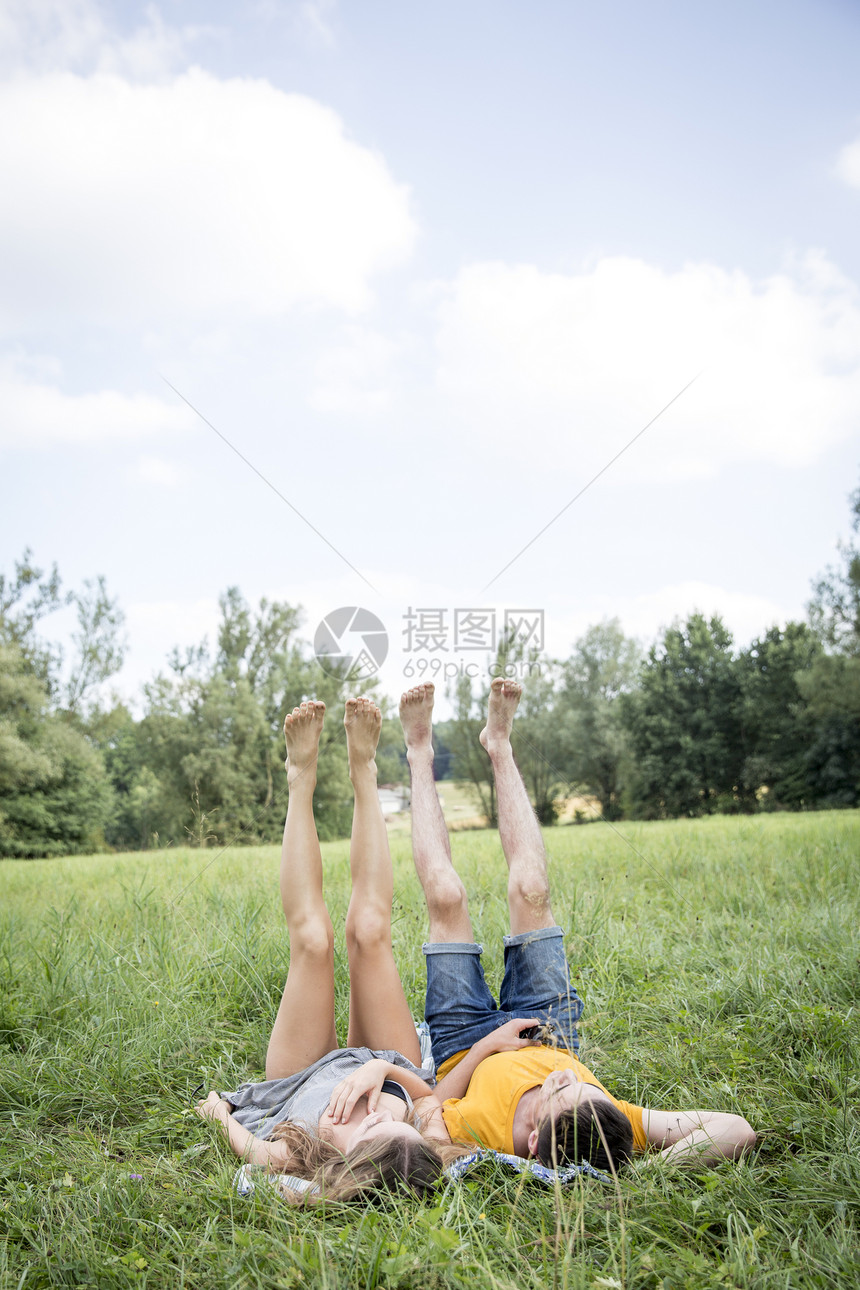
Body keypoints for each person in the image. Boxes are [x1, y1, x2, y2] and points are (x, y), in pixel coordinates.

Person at [400, 678, 757, 1174]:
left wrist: (489, 1045)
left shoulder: (483, 1130)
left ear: (530, 1146)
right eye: (581, 1086)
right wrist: (635, 1172)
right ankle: (499, 745)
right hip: (547, 1025)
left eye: (560, 1091)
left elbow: (429, 1108)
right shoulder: (604, 1120)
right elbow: (735, 1129)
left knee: (446, 896)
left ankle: (419, 752)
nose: (568, 1079)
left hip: (466, 1047)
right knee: (532, 889)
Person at [196, 696, 460, 1203]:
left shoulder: (303, 1153)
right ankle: (364, 769)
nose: (377, 1112)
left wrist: (217, 1115)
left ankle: (301, 776)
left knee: (313, 942)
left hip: (298, 1080)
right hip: (387, 1056)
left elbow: (248, 1147)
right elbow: (427, 1099)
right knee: (369, 930)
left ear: (344, 1159)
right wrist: (383, 1072)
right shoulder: (418, 1147)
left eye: (371, 1127)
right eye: (393, 1120)